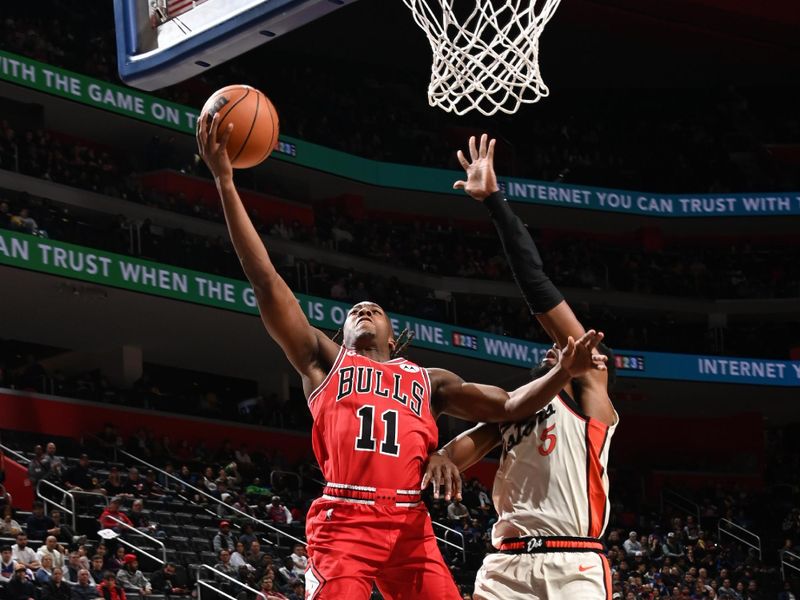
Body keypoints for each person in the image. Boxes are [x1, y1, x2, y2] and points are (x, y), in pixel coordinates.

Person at [197, 114, 607, 600]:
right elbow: (266, 281)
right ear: (342, 334)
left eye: (374, 308)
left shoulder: (428, 380)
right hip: (345, 518)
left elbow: (511, 407)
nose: (364, 308)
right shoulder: (324, 364)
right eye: (353, 311)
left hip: (410, 521)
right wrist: (225, 182)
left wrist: (562, 370)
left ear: (395, 339)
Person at [423, 135, 619, 600]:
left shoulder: (591, 390)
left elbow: (537, 284)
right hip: (505, 565)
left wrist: (495, 202)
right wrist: (436, 454)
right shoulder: (513, 414)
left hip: (574, 563)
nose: (556, 350)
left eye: (565, 351)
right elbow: (452, 456)